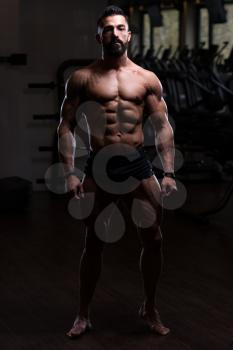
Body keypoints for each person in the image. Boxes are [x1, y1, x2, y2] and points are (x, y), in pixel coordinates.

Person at [57, 5, 177, 338]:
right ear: (99, 35)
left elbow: (162, 126)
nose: (115, 33)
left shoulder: (146, 79)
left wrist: (168, 172)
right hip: (100, 163)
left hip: (136, 162)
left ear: (129, 34)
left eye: (121, 27)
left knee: (154, 238)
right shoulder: (82, 77)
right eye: (108, 28)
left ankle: (149, 307)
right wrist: (69, 172)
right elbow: (64, 125)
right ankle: (83, 314)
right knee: (93, 242)